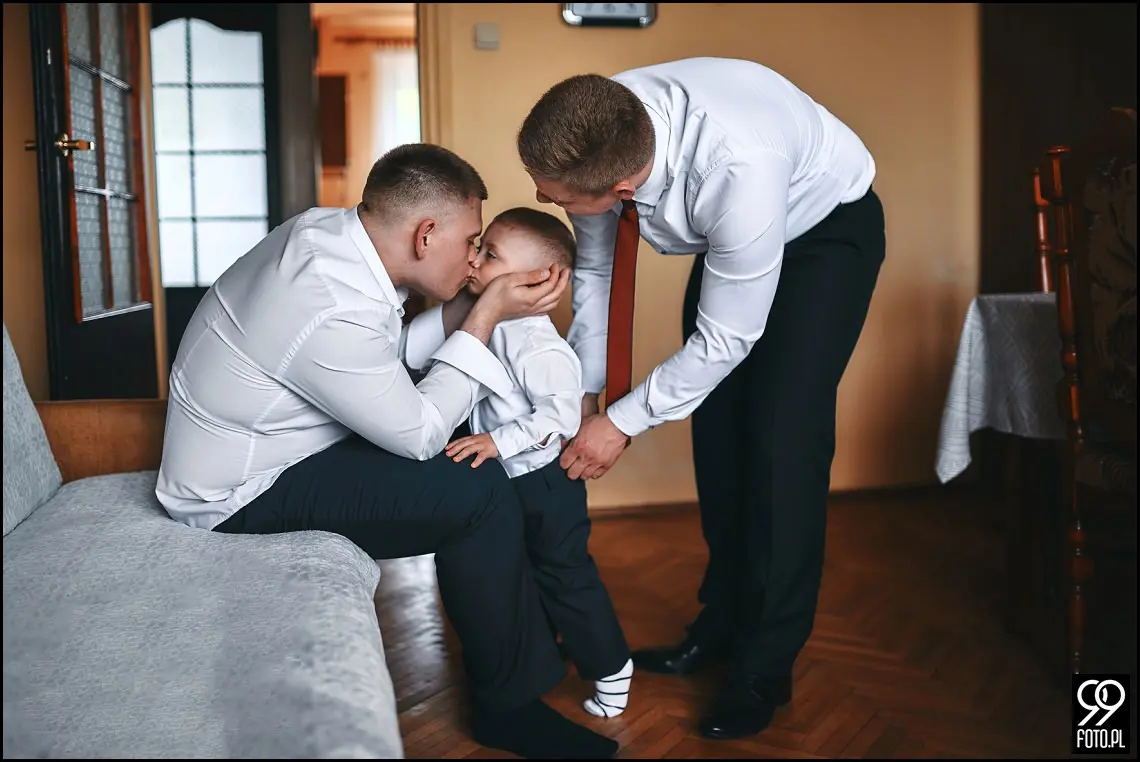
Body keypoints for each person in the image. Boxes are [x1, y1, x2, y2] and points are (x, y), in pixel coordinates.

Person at [154, 143, 619, 760]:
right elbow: (421, 431)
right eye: (471, 241)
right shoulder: (328, 306)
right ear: (426, 235)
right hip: (239, 491)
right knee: (475, 486)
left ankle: (522, 661)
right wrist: (484, 316)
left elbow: (384, 363)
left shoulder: (325, 234)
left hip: (269, 446)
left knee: (469, 455)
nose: (476, 256)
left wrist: (470, 308)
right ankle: (509, 709)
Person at [516, 57, 887, 740]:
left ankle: (763, 668)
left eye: (558, 198)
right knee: (718, 437)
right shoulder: (604, 123)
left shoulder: (736, 168)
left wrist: (620, 425)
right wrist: (587, 393)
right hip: (738, 241)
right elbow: (598, 271)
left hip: (824, 235)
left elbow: (725, 343)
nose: (547, 201)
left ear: (623, 186)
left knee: (781, 447)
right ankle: (720, 626)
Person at [403, 207, 635, 720]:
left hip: (545, 483)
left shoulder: (538, 344)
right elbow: (412, 350)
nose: (475, 259)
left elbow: (558, 419)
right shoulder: (488, 319)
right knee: (523, 571)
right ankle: (546, 653)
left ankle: (611, 665)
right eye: (479, 247)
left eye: (490, 255)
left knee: (565, 574)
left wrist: (495, 442)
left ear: (537, 280)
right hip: (509, 480)